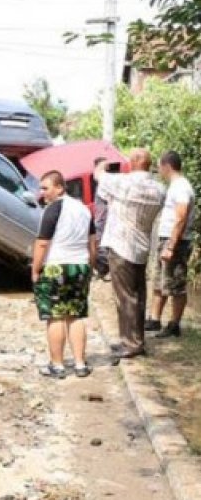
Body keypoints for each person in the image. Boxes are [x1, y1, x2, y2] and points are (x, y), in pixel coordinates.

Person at [95, 149, 166, 359]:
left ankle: (131, 343)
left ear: (135, 162)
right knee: (138, 295)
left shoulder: (123, 183)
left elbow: (98, 175)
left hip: (121, 245)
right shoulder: (159, 189)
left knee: (124, 296)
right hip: (142, 247)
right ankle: (136, 339)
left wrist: (103, 164)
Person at [32, 170, 98, 378]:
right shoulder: (84, 210)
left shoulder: (53, 210)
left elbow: (43, 242)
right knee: (76, 315)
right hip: (80, 266)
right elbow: (92, 242)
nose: (42, 193)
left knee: (56, 316)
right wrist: (90, 266)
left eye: (45, 188)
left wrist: (35, 269)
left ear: (59, 187)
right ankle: (80, 364)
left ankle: (58, 365)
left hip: (55, 267)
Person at [144, 151, 195, 338]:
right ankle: (154, 319)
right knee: (159, 280)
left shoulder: (181, 187)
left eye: (159, 166)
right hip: (166, 238)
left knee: (176, 284)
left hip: (176, 241)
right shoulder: (175, 186)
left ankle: (174, 324)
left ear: (167, 165)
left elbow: (180, 217)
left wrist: (172, 245)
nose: (159, 170)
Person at [91, 156, 110, 278]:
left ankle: (103, 269)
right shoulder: (102, 183)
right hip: (101, 219)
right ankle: (102, 269)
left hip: (104, 220)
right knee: (99, 244)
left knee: (101, 244)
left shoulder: (104, 184)